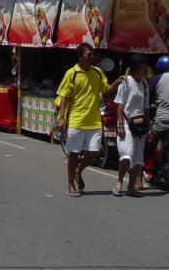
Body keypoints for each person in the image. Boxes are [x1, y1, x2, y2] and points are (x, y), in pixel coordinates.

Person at [55, 43, 119, 197]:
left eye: (92, 54)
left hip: (94, 121)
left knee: (94, 152)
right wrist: (62, 117)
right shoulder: (72, 73)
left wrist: (116, 83)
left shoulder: (97, 72)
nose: (92, 57)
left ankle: (79, 170)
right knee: (74, 154)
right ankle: (71, 185)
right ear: (80, 56)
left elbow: (106, 89)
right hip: (77, 120)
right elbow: (64, 96)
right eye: (88, 54)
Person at [113, 54, 151, 197]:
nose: (146, 69)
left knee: (137, 159)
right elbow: (120, 105)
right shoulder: (126, 82)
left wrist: (149, 125)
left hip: (140, 124)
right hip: (127, 123)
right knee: (127, 156)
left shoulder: (145, 85)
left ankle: (131, 187)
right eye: (143, 66)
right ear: (137, 67)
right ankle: (119, 181)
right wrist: (121, 125)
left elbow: (146, 107)